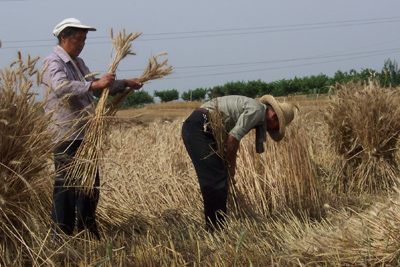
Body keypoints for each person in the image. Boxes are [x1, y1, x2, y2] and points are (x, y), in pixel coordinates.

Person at [42, 18, 143, 240]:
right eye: (77, 39)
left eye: (84, 40)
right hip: (66, 133)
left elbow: (97, 87)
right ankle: (61, 235)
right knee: (66, 185)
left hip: (84, 133)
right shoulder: (53, 62)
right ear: (63, 38)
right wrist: (95, 85)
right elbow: (61, 87)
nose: (81, 44)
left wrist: (124, 83)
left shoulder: (78, 63)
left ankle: (88, 230)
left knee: (89, 184)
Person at [181, 95, 295, 230]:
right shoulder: (258, 111)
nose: (272, 130)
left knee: (216, 177)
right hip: (200, 127)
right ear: (274, 116)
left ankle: (216, 226)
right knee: (215, 179)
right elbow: (233, 138)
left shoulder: (255, 109)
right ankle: (215, 229)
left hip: (199, 125)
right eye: (277, 127)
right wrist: (231, 167)